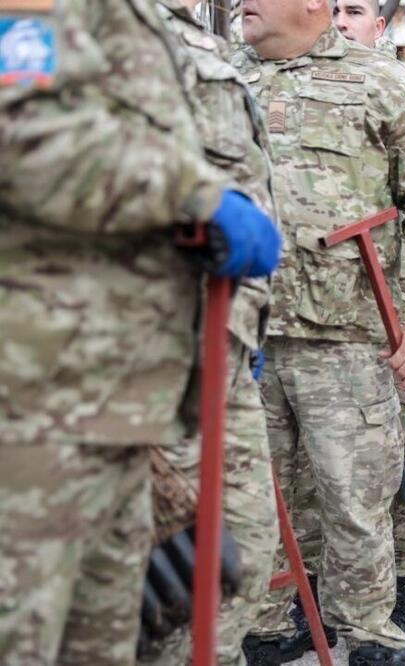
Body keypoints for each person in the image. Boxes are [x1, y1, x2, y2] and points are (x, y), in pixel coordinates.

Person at [0, 1, 278, 663]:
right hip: (36, 404)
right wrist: (196, 197)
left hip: (115, 403)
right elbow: (22, 131)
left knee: (103, 644)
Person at [234, 2, 405, 663]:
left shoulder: (381, 81)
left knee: (354, 498)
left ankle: (370, 635)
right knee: (255, 499)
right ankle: (270, 624)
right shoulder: (223, 79)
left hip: (350, 337)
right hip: (245, 332)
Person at [142, 3, 283, 665]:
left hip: (224, 341)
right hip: (140, 356)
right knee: (153, 572)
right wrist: (189, 199)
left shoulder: (204, 33)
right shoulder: (81, 24)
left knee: (242, 550)